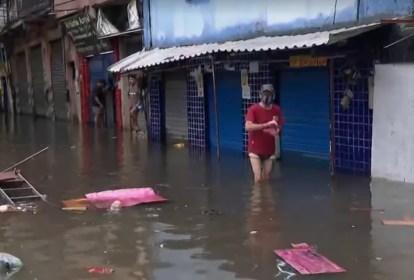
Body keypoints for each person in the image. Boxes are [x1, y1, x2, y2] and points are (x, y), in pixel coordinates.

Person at [245, 84, 284, 183]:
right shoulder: (253, 109)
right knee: (258, 178)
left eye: (269, 94)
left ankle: (266, 198)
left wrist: (276, 131)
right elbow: (248, 127)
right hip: (255, 149)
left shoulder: (276, 110)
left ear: (273, 96)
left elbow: (279, 126)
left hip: (269, 149)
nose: (267, 97)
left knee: (266, 178)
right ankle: (257, 198)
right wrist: (266, 125)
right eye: (265, 94)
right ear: (260, 95)